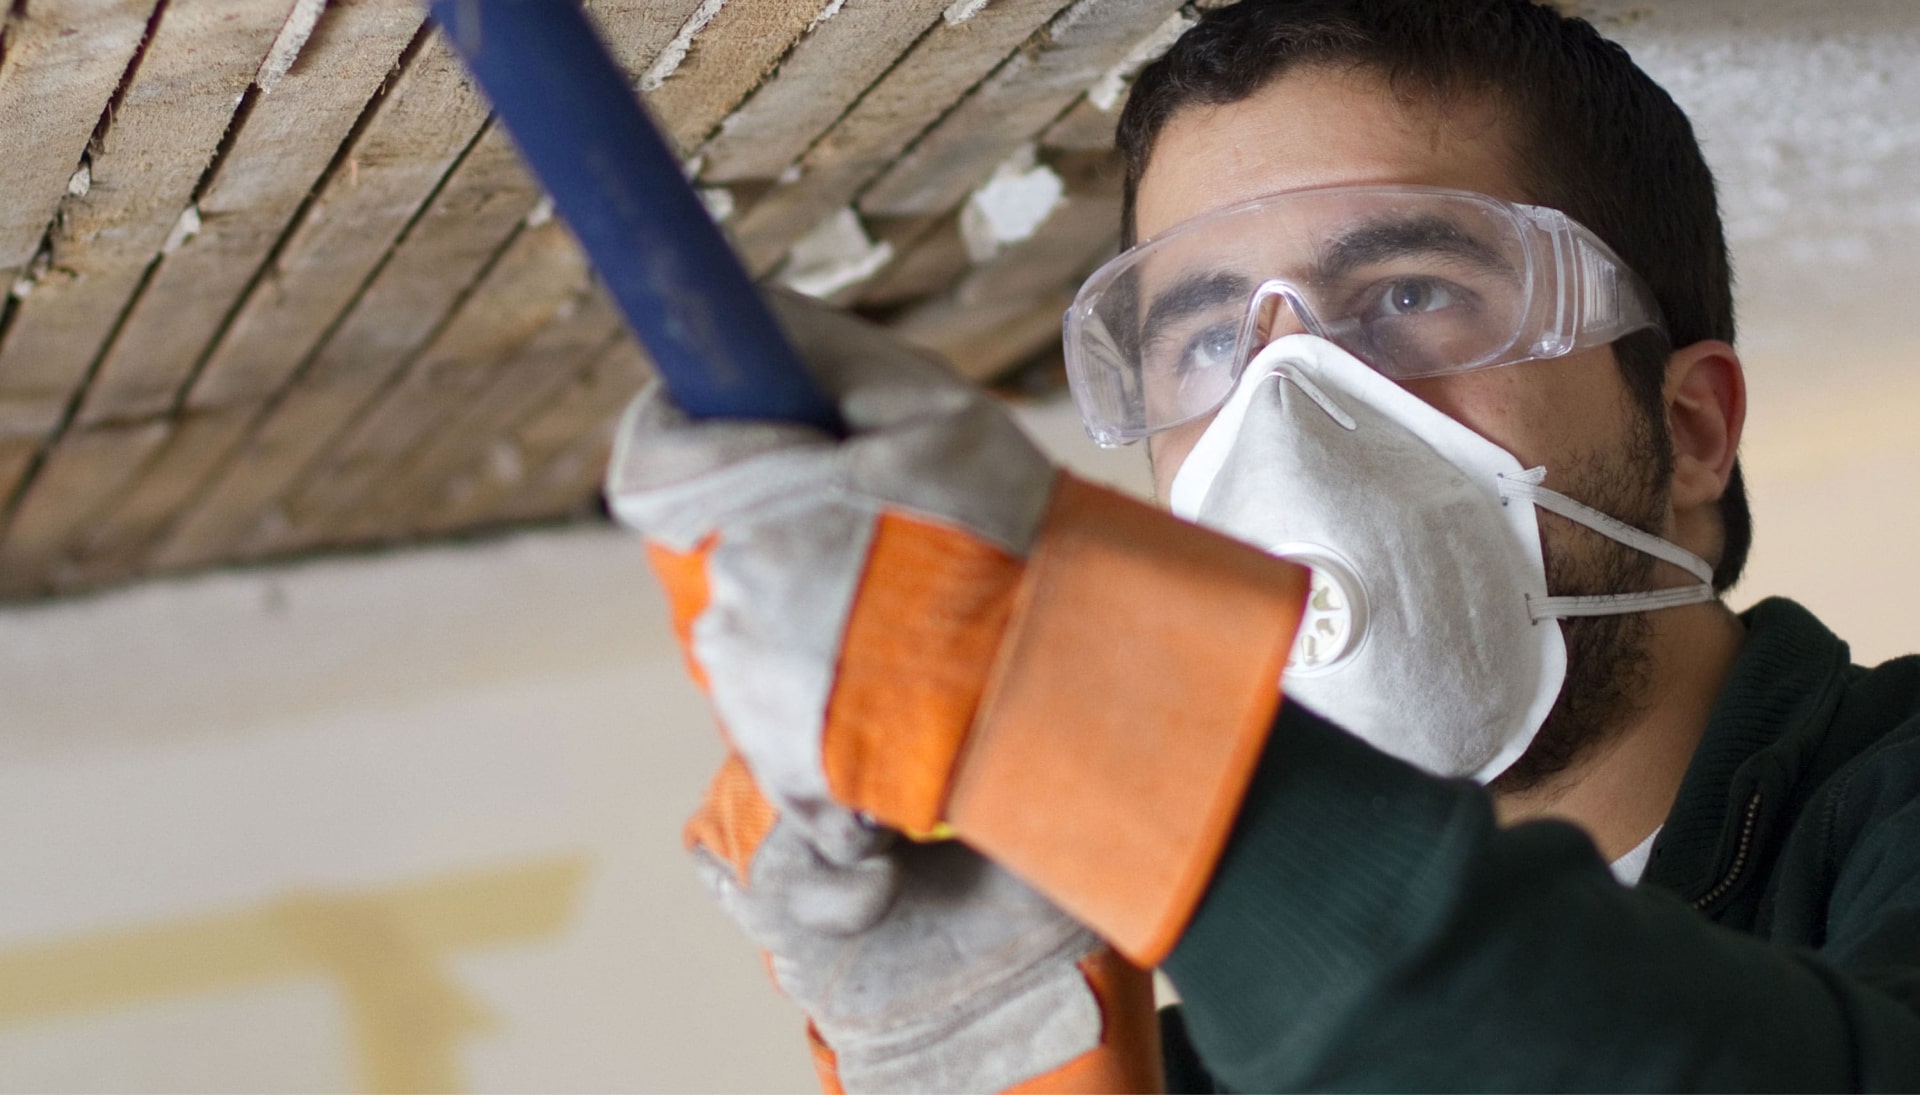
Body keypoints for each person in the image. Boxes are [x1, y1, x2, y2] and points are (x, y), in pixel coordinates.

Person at [608, 0, 1920, 1089]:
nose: (1286, 413)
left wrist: (1107, 725)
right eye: (1206, 340)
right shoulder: (1196, 1065)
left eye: (1412, 293)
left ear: (1690, 431)